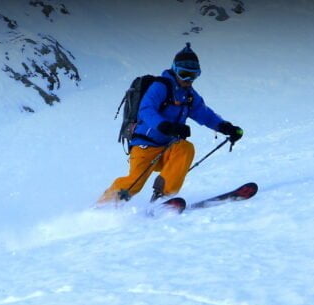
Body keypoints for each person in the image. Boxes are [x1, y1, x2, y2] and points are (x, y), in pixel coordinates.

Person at [98, 43, 243, 204]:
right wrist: (167, 126)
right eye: (184, 74)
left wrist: (226, 128)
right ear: (175, 70)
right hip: (145, 146)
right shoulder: (160, 87)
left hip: (167, 149)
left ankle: (162, 198)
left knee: (185, 148)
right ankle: (102, 206)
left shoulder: (189, 95)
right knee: (134, 184)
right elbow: (146, 110)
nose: (188, 80)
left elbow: (205, 115)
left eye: (193, 75)